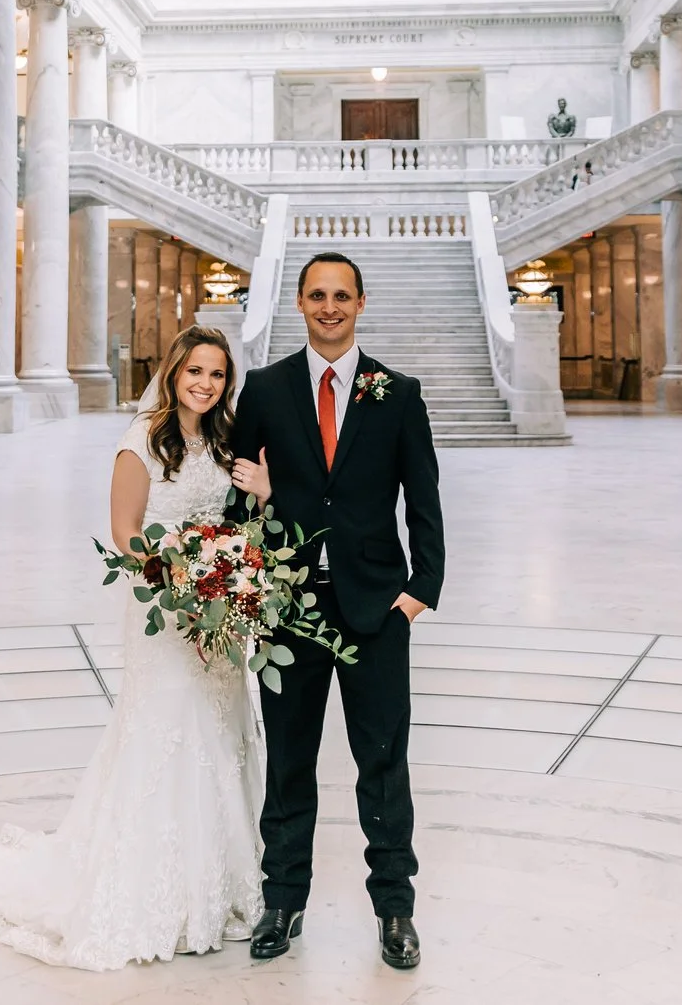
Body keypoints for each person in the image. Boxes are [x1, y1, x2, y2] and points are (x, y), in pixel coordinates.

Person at [0, 326, 271, 968]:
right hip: (164, 604)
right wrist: (176, 578)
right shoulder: (140, 445)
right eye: (195, 372)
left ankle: (219, 885)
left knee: (220, 729)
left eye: (217, 374)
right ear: (174, 373)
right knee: (166, 727)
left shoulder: (226, 440)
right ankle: (151, 889)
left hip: (218, 608)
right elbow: (125, 534)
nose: (205, 384)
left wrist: (255, 510)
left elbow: (242, 521)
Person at [230, 253, 443, 972]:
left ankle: (395, 910)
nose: (329, 306)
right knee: (289, 762)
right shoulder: (263, 388)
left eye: (341, 296)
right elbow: (238, 501)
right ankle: (282, 900)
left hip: (375, 607)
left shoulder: (398, 392)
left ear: (360, 302)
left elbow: (424, 502)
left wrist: (418, 591)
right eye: (317, 295)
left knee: (383, 762)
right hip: (288, 607)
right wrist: (259, 509)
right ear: (298, 302)